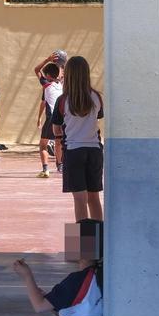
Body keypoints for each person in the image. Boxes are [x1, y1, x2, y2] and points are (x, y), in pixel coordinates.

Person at [52, 55, 103, 221]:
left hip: (74, 151)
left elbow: (56, 128)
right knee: (94, 199)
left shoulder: (63, 100)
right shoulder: (96, 97)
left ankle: (83, 245)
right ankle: (99, 243)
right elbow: (98, 118)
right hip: (94, 151)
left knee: (80, 199)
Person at [33, 59, 64, 178]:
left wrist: (48, 59)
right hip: (62, 119)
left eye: (46, 74)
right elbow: (60, 73)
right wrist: (60, 64)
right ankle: (60, 165)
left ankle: (45, 169)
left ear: (48, 76)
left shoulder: (47, 84)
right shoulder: (61, 85)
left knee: (43, 145)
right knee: (58, 143)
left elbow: (36, 70)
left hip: (51, 119)